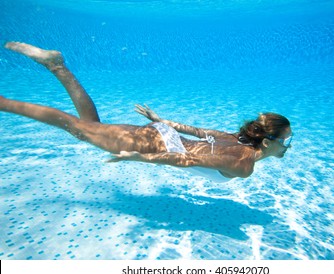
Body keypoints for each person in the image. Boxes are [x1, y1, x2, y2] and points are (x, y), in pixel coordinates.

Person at [0, 42, 293, 183]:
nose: (288, 147)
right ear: (267, 142)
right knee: (76, 127)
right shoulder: (244, 165)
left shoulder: (237, 140)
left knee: (89, 126)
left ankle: (57, 66)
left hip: (161, 136)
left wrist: (161, 122)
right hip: (155, 145)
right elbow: (187, 159)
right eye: (286, 141)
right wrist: (143, 157)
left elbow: (200, 133)